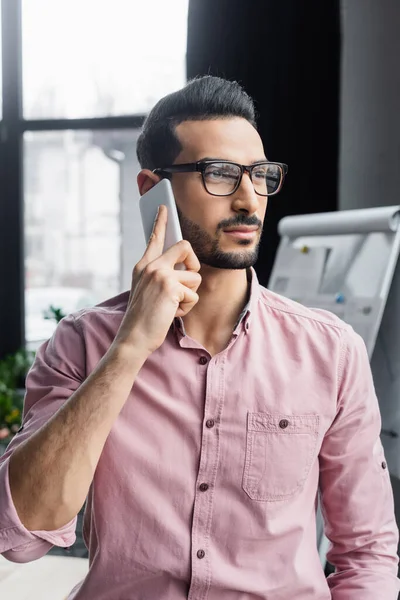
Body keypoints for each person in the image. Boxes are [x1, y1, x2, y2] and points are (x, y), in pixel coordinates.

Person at [0, 76, 399, 600]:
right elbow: (22, 536)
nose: (247, 198)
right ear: (152, 190)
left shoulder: (331, 352)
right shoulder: (82, 343)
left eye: (260, 175)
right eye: (219, 174)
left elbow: (366, 553)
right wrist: (130, 348)